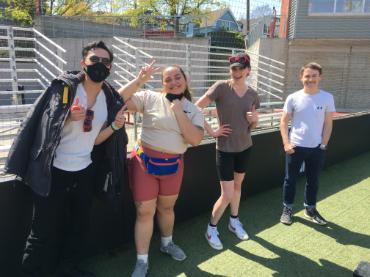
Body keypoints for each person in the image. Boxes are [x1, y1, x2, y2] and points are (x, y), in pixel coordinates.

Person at [5, 41, 128, 277]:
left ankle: (68, 269)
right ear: (83, 63)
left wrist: (114, 126)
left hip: (84, 171)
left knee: (79, 226)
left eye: (105, 62)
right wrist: (68, 118)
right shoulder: (66, 89)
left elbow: (94, 141)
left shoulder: (107, 96)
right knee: (42, 231)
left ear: (110, 68)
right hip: (54, 171)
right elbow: (45, 129)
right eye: (94, 60)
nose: (99, 65)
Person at [119, 63, 204, 277]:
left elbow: (194, 139)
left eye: (178, 77)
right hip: (145, 163)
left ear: (185, 80)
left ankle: (167, 244)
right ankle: (142, 261)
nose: (174, 82)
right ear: (162, 84)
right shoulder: (149, 97)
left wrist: (178, 110)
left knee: (166, 209)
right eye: (168, 79)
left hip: (173, 166)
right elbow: (117, 100)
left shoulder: (194, 110)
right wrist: (139, 80)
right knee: (144, 211)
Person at [195, 53, 260, 250]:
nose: (237, 71)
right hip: (225, 149)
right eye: (233, 68)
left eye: (240, 68)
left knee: (238, 187)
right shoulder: (221, 87)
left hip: (245, 147)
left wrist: (254, 120)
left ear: (248, 70)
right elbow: (194, 108)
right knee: (227, 194)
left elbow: (253, 125)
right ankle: (211, 229)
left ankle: (233, 221)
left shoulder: (253, 95)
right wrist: (212, 131)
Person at [279, 62, 335, 226]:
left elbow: (328, 124)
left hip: (317, 148)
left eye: (314, 76)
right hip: (295, 147)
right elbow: (283, 122)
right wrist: (286, 144)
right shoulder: (293, 97)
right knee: (290, 180)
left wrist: (323, 144)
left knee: (314, 180)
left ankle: (310, 209)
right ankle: (287, 209)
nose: (310, 79)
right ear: (301, 77)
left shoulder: (327, 97)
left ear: (320, 77)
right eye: (307, 76)